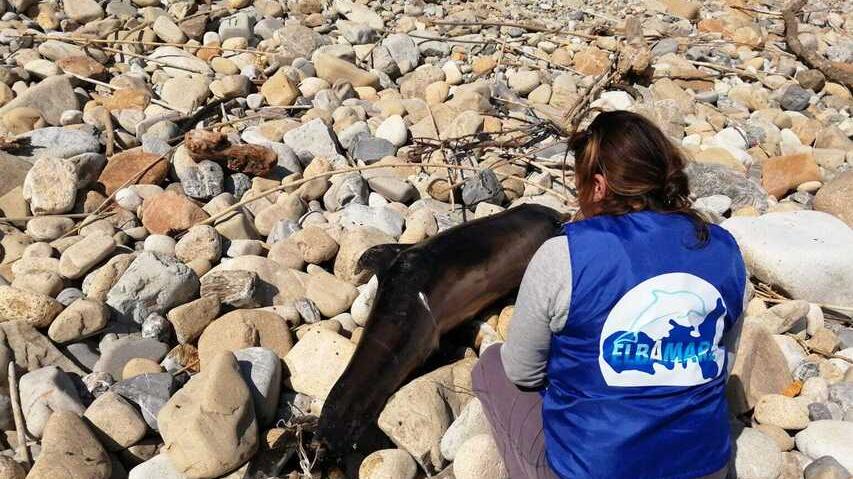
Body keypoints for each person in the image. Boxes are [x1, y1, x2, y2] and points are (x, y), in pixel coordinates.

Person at [471, 110, 750, 479]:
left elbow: (523, 373)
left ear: (599, 186)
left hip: (594, 469)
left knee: (492, 365)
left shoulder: (564, 254)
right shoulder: (725, 250)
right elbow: (721, 363)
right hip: (704, 468)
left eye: (580, 186)